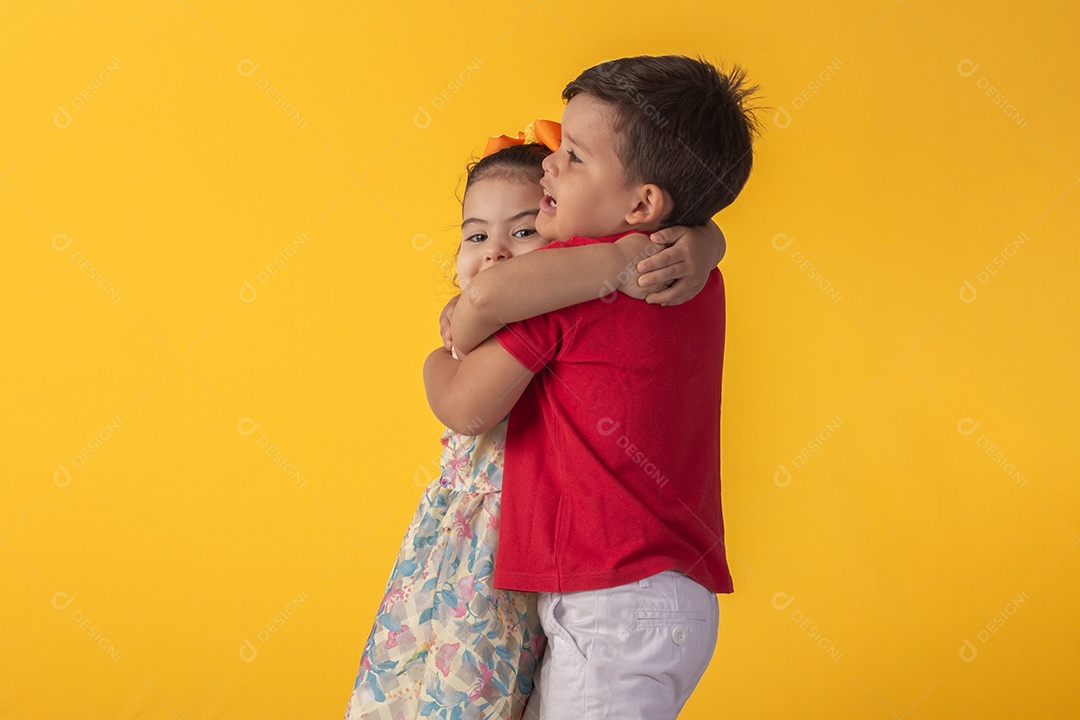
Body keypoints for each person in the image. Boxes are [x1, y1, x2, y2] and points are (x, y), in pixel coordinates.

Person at [345, 124, 726, 719]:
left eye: (523, 231)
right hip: (479, 574)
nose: (495, 252)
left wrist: (695, 243)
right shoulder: (526, 313)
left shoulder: (563, 300)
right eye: (476, 235)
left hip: (536, 572)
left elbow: (468, 402)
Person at [426, 55, 761, 720]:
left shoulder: (575, 282)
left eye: (574, 156)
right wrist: (707, 239)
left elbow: (466, 399)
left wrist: (443, 352)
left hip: (614, 599)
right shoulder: (690, 270)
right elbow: (696, 233)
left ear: (641, 204)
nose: (548, 165)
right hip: (661, 597)